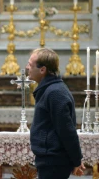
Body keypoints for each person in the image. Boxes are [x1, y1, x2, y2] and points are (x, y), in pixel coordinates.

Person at [26, 48, 85, 178]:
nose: (27, 67)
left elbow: (67, 130)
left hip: (53, 162)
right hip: (49, 160)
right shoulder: (50, 89)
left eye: (30, 64)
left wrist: (76, 160)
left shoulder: (55, 93)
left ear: (43, 69)